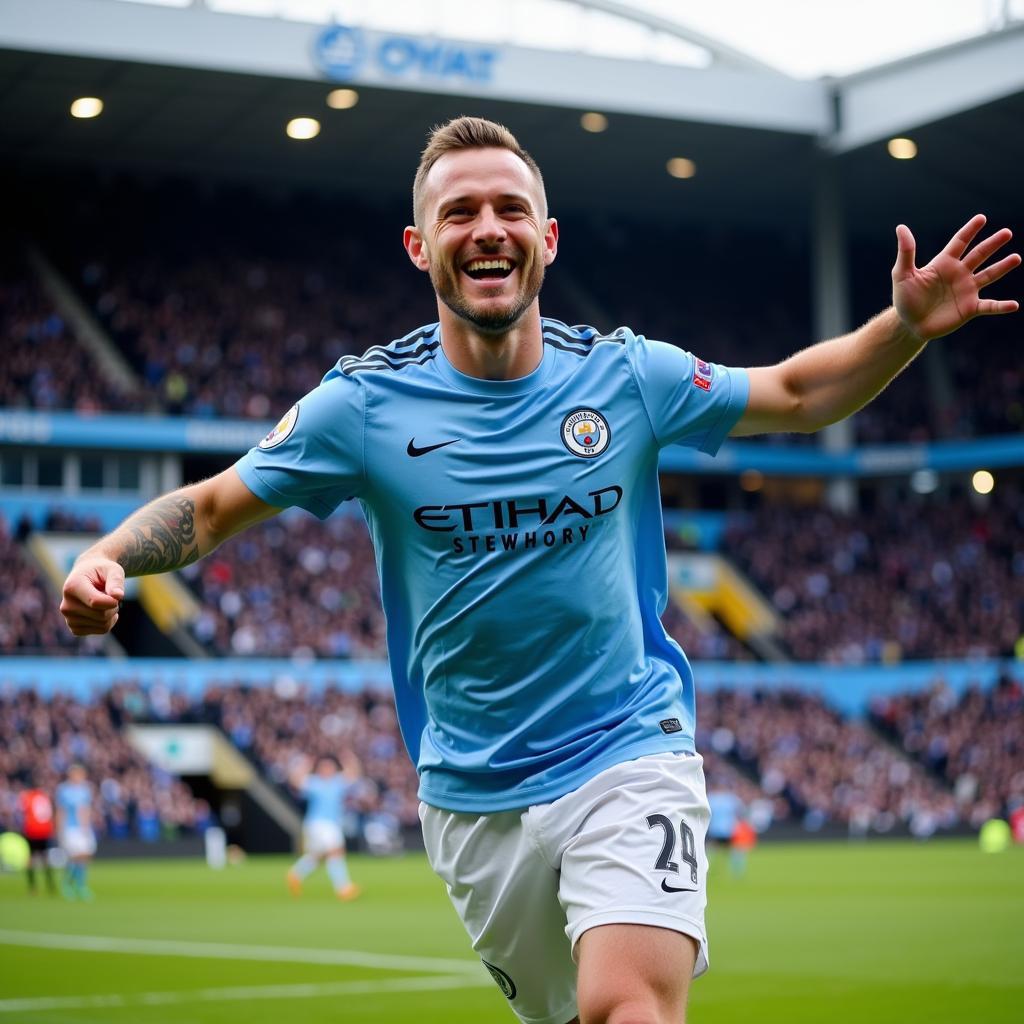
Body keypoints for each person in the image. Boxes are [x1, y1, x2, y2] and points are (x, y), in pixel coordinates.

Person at [60, 117, 1018, 1024]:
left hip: (626, 750)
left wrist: (903, 329)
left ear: (549, 238)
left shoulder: (628, 378)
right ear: (417, 247)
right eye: (461, 213)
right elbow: (216, 505)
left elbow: (799, 393)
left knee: (628, 1007)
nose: (489, 230)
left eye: (511, 210)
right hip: (472, 798)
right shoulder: (360, 408)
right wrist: (106, 555)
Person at [286, 752, 362, 901]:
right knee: (336, 851)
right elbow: (295, 780)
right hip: (320, 824)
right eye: (325, 767)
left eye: (331, 767)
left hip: (328, 824)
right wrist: (304, 765)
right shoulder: (314, 783)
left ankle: (295, 874)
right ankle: (343, 888)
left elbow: (354, 775)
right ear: (319, 769)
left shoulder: (337, 782)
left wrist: (350, 760)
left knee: (318, 857)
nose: (328, 769)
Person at [55, 764, 96, 901]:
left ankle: (80, 885)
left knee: (85, 856)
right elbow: (61, 811)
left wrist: (87, 825)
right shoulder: (64, 790)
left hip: (83, 828)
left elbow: (86, 809)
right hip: (70, 827)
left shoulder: (85, 790)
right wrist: (60, 829)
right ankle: (68, 884)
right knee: (75, 856)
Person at [19, 781, 57, 896]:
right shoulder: (44, 797)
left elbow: (23, 813)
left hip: (32, 831)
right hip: (45, 831)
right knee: (45, 858)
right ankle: (50, 885)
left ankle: (33, 888)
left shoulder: (27, 797)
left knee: (30, 859)